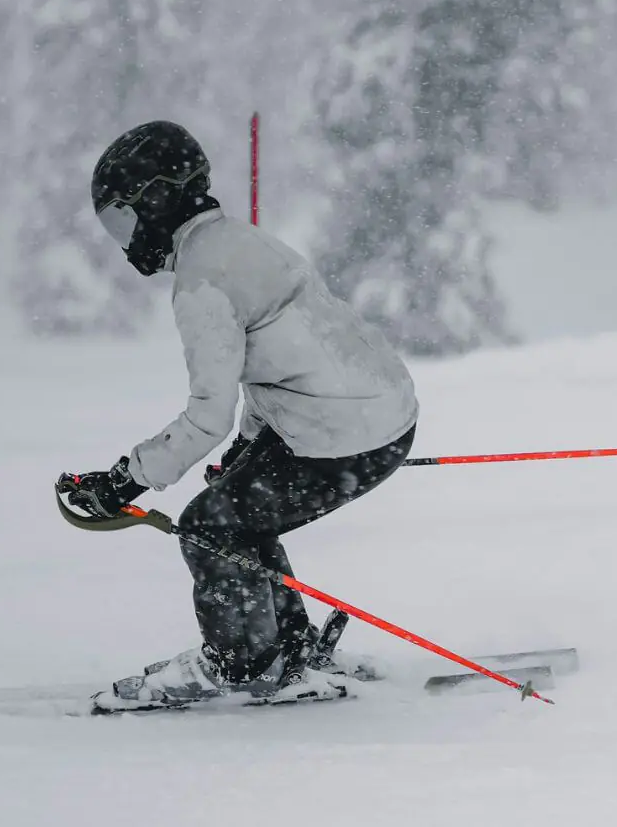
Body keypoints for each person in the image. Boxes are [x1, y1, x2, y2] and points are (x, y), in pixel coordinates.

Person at [60, 121, 418, 707]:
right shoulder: (241, 242)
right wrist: (246, 450)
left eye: (123, 219)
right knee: (237, 515)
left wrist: (124, 481)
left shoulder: (202, 283)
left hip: (339, 435)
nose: (126, 242)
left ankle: (242, 663)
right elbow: (280, 362)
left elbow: (207, 415)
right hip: (376, 413)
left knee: (208, 526)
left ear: (157, 200)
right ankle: (287, 649)